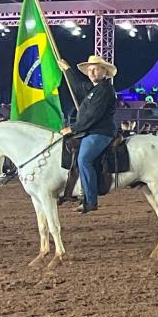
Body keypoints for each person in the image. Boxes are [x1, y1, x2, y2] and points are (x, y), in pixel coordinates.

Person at [61, 55, 120, 214]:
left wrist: (72, 129)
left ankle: (90, 200)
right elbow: (78, 87)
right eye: (90, 69)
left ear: (104, 72)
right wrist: (67, 71)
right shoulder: (94, 89)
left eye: (96, 69)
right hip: (91, 131)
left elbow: (92, 115)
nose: (92, 72)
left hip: (100, 131)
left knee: (84, 159)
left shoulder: (104, 90)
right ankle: (72, 191)